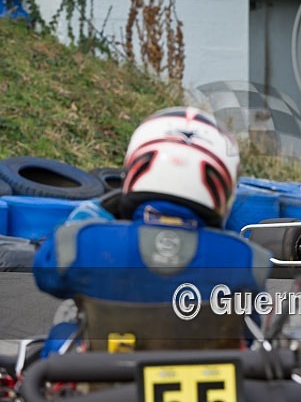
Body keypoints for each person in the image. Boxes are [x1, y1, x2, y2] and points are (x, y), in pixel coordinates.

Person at [33, 107, 272, 353]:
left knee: (68, 317)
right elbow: (248, 334)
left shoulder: (81, 244)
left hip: (104, 380)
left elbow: (47, 275)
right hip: (205, 383)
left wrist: (102, 212)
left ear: (138, 166)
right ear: (221, 183)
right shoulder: (245, 259)